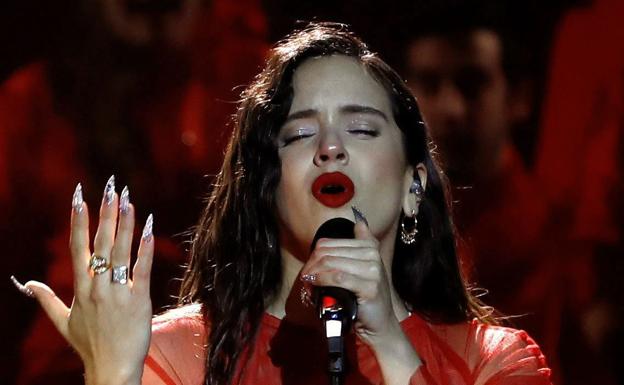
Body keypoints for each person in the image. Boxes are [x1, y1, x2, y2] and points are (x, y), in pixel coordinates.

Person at [12, 23, 551, 385]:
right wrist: (110, 374)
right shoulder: (174, 356)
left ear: (415, 186)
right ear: (266, 185)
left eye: (362, 127)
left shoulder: (496, 360)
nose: (331, 147)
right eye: (298, 134)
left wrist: (389, 339)